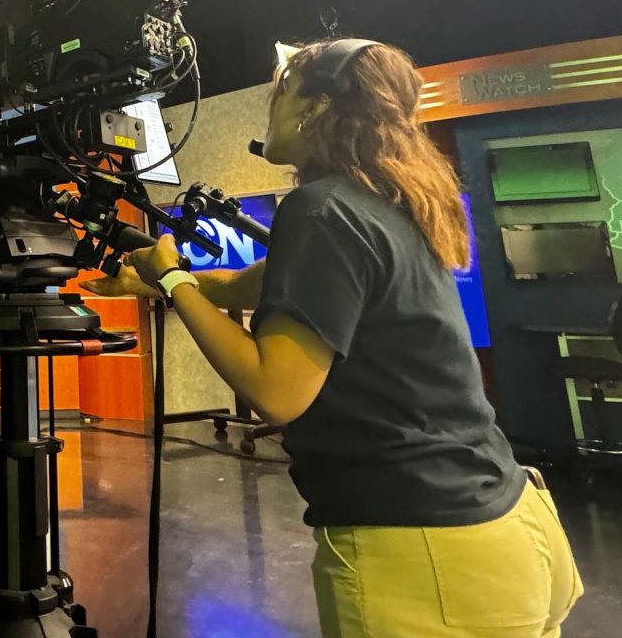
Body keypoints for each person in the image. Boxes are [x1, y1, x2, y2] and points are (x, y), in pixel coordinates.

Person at [85, 39, 582, 638]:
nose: (270, 110)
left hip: (428, 549)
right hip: (512, 523)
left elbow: (277, 390)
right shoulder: (385, 200)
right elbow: (247, 285)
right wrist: (163, 282)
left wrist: (170, 276)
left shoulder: (319, 210)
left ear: (315, 107)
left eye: (281, 93)